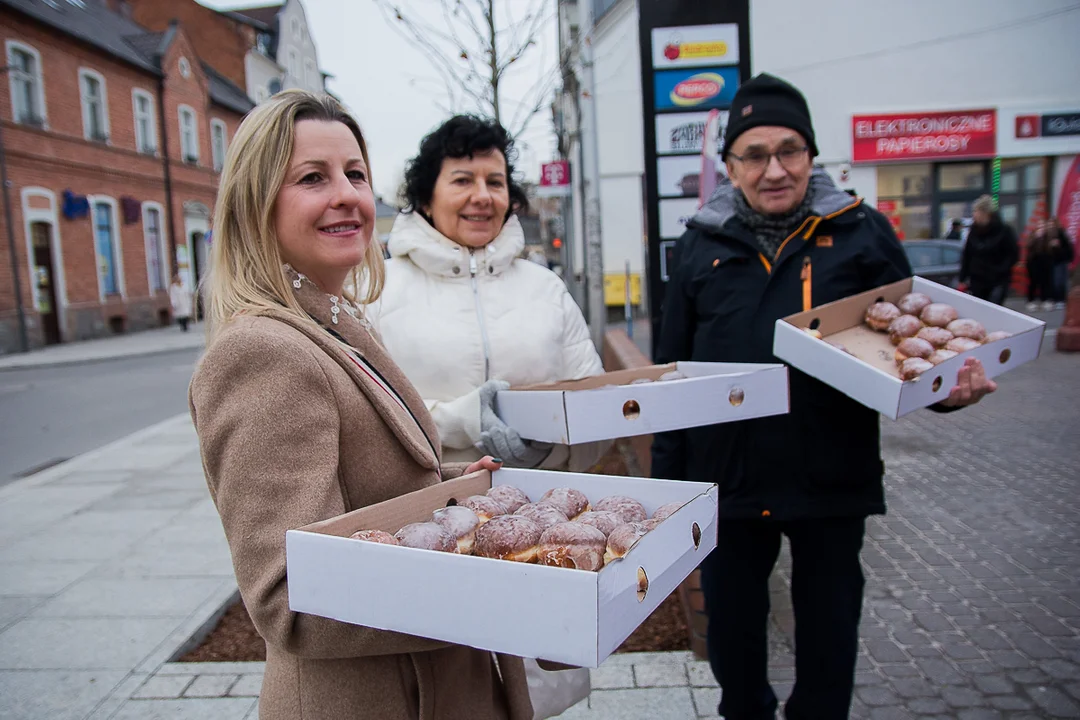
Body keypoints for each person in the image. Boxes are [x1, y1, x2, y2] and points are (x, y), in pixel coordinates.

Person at [651, 73, 996, 720]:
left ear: (813, 155)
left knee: (831, 642)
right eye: (754, 154)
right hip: (729, 484)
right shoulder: (701, 246)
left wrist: (953, 391)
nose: (774, 169)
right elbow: (672, 376)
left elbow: (916, 341)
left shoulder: (861, 232)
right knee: (733, 641)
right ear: (729, 165)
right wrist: (666, 493)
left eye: (790, 151)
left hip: (830, 480)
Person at [188, 90, 533, 720]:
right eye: (312, 178)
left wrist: (454, 492)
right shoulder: (263, 353)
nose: (347, 194)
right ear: (256, 204)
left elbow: (368, 495)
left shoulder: (336, 319)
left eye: (355, 173)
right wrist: (497, 596)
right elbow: (290, 593)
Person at [368, 115, 605, 471]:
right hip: (424, 514)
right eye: (462, 180)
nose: (482, 197)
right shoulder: (376, 291)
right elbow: (364, 423)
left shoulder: (547, 289)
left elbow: (599, 409)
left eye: (495, 182)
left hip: (544, 514)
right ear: (427, 200)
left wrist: (550, 450)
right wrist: (466, 419)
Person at [960, 195, 1019, 305]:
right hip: (977, 280)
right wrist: (963, 277)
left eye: (976, 211)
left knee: (994, 307)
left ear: (985, 213)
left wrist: (1001, 269)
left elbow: (1013, 254)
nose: (974, 215)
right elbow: (967, 255)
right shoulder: (974, 232)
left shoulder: (1004, 231)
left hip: (997, 279)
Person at [1025, 221, 1056, 311]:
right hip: (1034, 261)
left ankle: (1045, 300)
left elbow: (1051, 250)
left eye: (1043, 225)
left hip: (1046, 261)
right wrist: (1036, 238)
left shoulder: (1049, 237)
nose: (1042, 227)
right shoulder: (1033, 235)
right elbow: (1028, 246)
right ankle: (1031, 301)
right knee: (1033, 282)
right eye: (1040, 225)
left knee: (1045, 282)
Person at [1047, 217, 1075, 308]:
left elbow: (1068, 248)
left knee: (1061, 281)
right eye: (1050, 224)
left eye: (1053, 224)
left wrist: (1058, 247)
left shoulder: (1061, 234)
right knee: (1055, 281)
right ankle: (1055, 299)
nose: (1051, 226)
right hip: (1051, 262)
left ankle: (1061, 299)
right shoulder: (1046, 235)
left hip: (1061, 261)